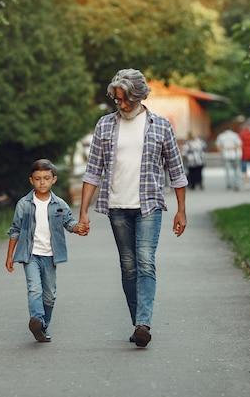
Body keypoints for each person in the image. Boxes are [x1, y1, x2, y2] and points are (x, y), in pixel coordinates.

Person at [79, 68, 188, 348]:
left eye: (126, 99)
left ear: (139, 96)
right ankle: (137, 323)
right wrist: (83, 212)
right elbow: (93, 171)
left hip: (149, 205)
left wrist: (181, 210)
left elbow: (176, 171)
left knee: (145, 261)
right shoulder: (105, 125)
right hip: (117, 207)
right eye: (117, 100)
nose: (122, 105)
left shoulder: (160, 126)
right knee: (128, 268)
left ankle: (144, 323)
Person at [5, 159, 87, 342]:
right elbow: (15, 230)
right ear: (31, 181)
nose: (42, 182)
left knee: (49, 295)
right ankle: (36, 319)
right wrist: (10, 255)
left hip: (51, 256)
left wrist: (78, 228)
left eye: (46, 178)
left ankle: (42, 327)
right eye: (38, 178)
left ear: (54, 180)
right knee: (35, 289)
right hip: (30, 255)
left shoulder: (59, 204)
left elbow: (69, 222)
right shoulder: (24, 204)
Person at [215, 124, 242, 191]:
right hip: (234, 154)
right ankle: (236, 183)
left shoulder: (221, 136)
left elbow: (218, 147)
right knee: (235, 169)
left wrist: (223, 150)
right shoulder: (235, 135)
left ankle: (228, 184)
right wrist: (232, 148)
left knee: (227, 170)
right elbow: (239, 144)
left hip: (225, 155)